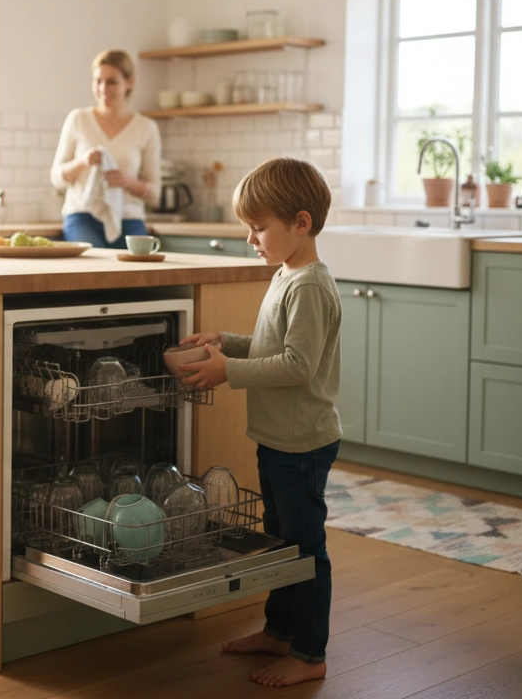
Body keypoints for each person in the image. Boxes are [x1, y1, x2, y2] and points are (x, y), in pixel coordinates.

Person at [176, 157, 341, 688]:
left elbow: (298, 365)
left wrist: (229, 372)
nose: (251, 238)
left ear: (300, 222)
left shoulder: (309, 286)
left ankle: (310, 652)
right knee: (279, 542)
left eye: (259, 227)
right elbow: (274, 347)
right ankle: (279, 631)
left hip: (303, 443)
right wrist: (226, 343)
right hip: (278, 439)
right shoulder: (287, 273)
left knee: (304, 549)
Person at [49, 48, 161, 248]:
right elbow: (56, 178)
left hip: (129, 219)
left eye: (111, 81)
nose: (103, 88)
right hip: (82, 217)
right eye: (98, 81)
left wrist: (127, 181)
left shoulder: (146, 127)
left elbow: (155, 194)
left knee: (134, 275)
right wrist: (82, 162)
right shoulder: (78, 119)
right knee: (95, 270)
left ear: (129, 82)